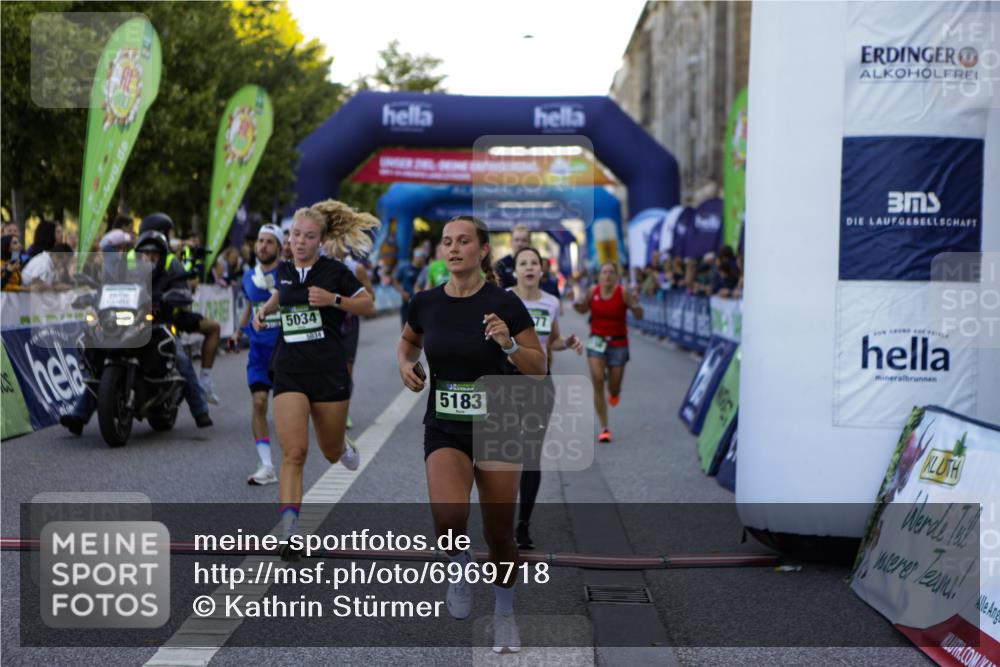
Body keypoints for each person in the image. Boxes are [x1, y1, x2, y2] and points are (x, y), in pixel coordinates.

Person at [397, 215, 545, 654]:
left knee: (500, 534)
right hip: (445, 425)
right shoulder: (424, 302)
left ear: (483, 250)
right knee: (448, 520)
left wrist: (510, 346)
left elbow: (539, 369)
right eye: (447, 242)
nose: (454, 248)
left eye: (464, 241)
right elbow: (408, 343)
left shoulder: (507, 304)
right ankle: (459, 564)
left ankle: (503, 613)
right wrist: (405, 364)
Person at [252, 200, 377, 560]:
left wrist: (334, 299)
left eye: (309, 237)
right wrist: (263, 311)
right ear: (288, 238)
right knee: (294, 452)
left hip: (328, 372)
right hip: (290, 370)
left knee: (330, 451)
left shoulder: (335, 271)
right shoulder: (285, 271)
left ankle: (344, 447)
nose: (300, 242)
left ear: (321, 240)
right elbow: (282, 294)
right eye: (295, 235)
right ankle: (291, 533)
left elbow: (367, 303)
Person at [61, 231, 213, 435]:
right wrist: (94, 299)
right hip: (127, 322)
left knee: (181, 358)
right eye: (145, 254)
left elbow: (184, 292)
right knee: (100, 361)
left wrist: (169, 299)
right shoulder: (126, 269)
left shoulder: (171, 269)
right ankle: (79, 415)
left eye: (154, 255)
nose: (149, 258)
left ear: (161, 256)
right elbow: (108, 288)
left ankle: (200, 409)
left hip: (159, 324)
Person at [508, 247, 583, 550]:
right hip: (506, 382)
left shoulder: (551, 302)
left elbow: (552, 341)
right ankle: (499, 519)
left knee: (530, 454)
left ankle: (523, 525)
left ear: (542, 270)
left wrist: (567, 342)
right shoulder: (503, 299)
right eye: (523, 263)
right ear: (515, 270)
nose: (529, 267)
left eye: (534, 263)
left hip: (540, 383)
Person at [140, 213, 223, 404]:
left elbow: (187, 285)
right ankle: (204, 387)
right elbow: (192, 284)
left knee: (208, 332)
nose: (170, 238)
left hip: (168, 313)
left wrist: (190, 258)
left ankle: (202, 393)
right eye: (167, 233)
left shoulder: (162, 257)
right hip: (156, 317)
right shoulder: (165, 257)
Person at [229, 225, 284, 485]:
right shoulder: (249, 276)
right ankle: (266, 465)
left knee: (294, 409)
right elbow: (250, 306)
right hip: (259, 351)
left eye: (269, 242)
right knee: (260, 403)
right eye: (260, 241)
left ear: (279, 248)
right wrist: (239, 332)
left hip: (287, 351)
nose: (262, 246)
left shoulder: (288, 275)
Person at [573, 262, 643, 443]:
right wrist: (576, 302)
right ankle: (604, 427)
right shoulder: (592, 291)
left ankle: (613, 393)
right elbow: (582, 310)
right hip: (597, 341)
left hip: (618, 343)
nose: (608, 275)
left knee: (614, 387)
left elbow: (639, 315)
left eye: (611, 272)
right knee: (596, 379)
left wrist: (635, 305)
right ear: (599, 276)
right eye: (604, 272)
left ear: (616, 276)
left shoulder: (623, 293)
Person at [325, 238, 375, 431]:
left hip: (348, 325)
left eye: (338, 242)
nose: (332, 246)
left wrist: (346, 300)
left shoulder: (356, 269)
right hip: (327, 326)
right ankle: (327, 410)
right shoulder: (320, 266)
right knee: (326, 370)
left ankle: (343, 413)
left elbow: (371, 297)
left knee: (346, 371)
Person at [393, 247, 425, 328]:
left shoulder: (425, 270)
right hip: (407, 303)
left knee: (421, 330)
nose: (420, 257)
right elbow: (395, 281)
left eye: (422, 255)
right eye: (418, 255)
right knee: (405, 328)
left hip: (421, 304)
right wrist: (402, 292)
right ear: (414, 256)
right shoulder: (405, 268)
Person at [494, 223, 531, 288]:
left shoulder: (535, 265)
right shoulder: (501, 265)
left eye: (524, 240)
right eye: (516, 240)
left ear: (529, 242)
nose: (520, 244)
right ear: (510, 242)